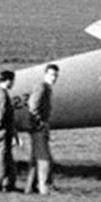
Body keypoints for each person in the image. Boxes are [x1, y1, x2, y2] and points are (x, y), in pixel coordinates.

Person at [25, 63, 59, 194]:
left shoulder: (47, 88)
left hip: (38, 126)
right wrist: (38, 120)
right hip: (39, 126)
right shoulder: (41, 87)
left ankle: (30, 188)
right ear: (45, 74)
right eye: (51, 75)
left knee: (35, 158)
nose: (54, 78)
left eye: (56, 75)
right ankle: (44, 187)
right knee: (44, 158)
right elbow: (32, 104)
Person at [0, 70, 18, 192]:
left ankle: (9, 183)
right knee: (1, 159)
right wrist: (0, 127)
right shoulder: (2, 94)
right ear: (8, 81)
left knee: (7, 157)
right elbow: (0, 114)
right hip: (2, 130)